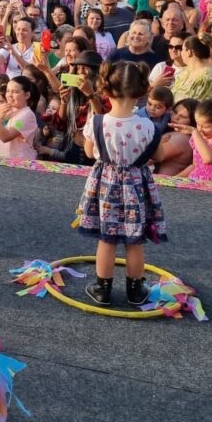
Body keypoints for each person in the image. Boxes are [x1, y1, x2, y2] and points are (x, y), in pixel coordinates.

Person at [76, 61, 166, 307]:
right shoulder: (149, 126)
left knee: (107, 239)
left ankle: (102, 288)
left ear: (104, 89)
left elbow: (88, 149)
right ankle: (135, 290)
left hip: (105, 185)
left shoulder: (97, 122)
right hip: (136, 187)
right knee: (133, 241)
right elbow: (158, 157)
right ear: (143, 91)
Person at [0, 75, 39, 160]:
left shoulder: (27, 115)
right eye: (8, 91)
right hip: (0, 159)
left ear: (27, 95)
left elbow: (6, 137)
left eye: (15, 92)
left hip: (19, 163)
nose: (9, 95)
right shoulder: (7, 110)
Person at [171, 36, 212, 102]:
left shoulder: (207, 78)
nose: (181, 53)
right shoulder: (186, 71)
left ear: (189, 52)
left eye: (182, 49)